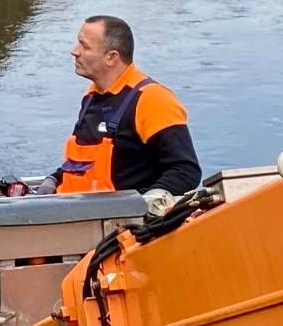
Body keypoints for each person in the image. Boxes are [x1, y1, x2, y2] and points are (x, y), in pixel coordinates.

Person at [35, 15, 201, 206]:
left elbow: (185, 171)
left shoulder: (153, 99)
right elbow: (82, 163)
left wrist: (141, 205)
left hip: (115, 220)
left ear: (111, 57)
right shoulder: (92, 96)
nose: (75, 51)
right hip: (74, 212)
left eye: (84, 46)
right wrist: (53, 180)